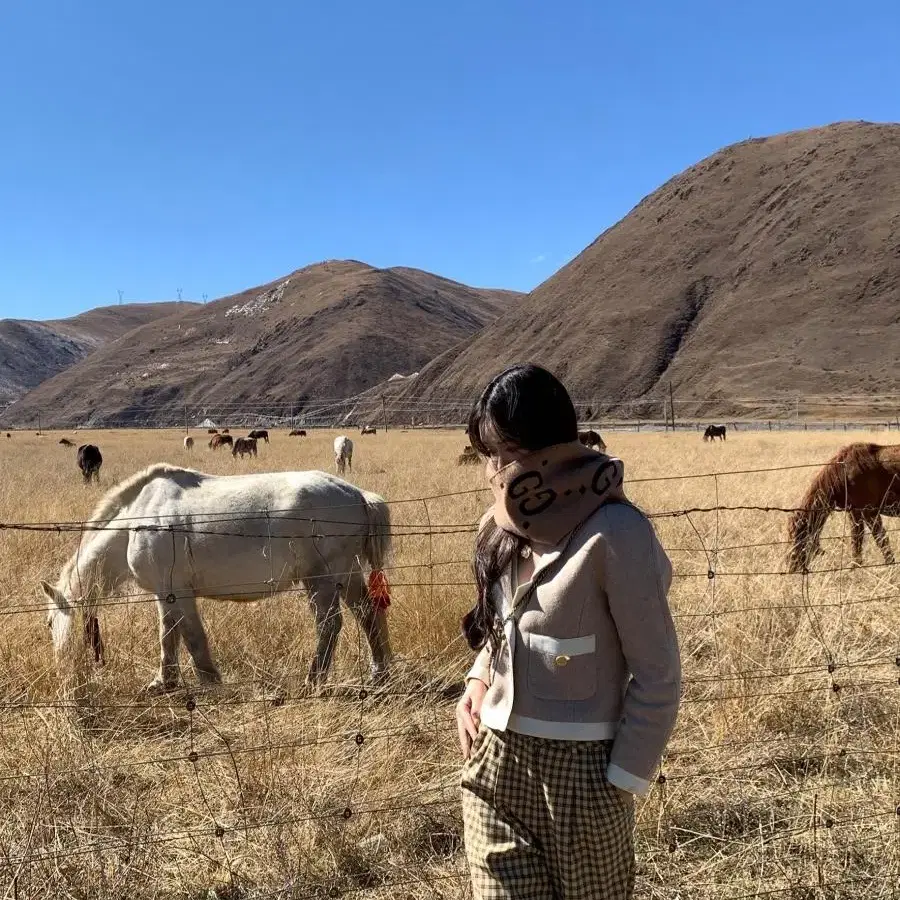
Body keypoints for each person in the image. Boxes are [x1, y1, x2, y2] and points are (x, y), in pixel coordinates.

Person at [456, 364, 681, 899]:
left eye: (505, 453)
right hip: (494, 764)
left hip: (584, 777)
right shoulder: (498, 528)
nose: (496, 471)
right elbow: (499, 625)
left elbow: (658, 674)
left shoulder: (617, 534)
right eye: (489, 456)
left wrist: (622, 780)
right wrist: (477, 681)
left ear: (550, 446)